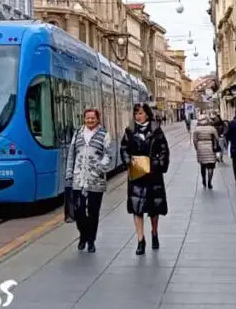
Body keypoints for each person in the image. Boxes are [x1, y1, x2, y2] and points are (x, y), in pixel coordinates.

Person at [120, 103, 170, 255]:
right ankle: (140, 240)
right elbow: (124, 149)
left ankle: (154, 232)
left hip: (153, 174)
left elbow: (164, 149)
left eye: (140, 113)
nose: (138, 116)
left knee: (154, 208)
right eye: (136, 113)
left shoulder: (156, 130)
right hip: (137, 175)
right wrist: (128, 160)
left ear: (147, 114)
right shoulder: (129, 131)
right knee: (137, 208)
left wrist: (159, 164)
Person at [65, 108, 114, 253]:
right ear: (84, 119)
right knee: (79, 212)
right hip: (78, 179)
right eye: (87, 118)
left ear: (97, 119)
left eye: (93, 118)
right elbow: (71, 155)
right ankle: (83, 235)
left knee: (93, 212)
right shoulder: (78, 134)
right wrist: (69, 174)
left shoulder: (104, 135)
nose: (90, 120)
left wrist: (100, 168)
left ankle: (91, 240)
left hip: (95, 181)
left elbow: (109, 154)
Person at [191, 116, 220, 189]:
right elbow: (217, 138)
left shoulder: (196, 130)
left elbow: (194, 140)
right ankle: (209, 182)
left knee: (203, 166)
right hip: (210, 147)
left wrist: (197, 148)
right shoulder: (212, 128)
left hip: (201, 147)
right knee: (211, 166)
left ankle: (204, 180)